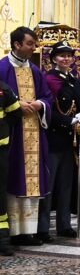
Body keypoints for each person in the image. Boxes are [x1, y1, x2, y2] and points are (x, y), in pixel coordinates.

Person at [0, 27, 52, 246]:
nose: (34, 47)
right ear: (17, 44)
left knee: (30, 181)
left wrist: (40, 104)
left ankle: (27, 232)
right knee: (12, 178)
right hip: (11, 135)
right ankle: (10, 232)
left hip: (33, 131)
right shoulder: (2, 68)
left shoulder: (36, 71)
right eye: (30, 43)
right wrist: (15, 104)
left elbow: (47, 96)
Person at [39, 41, 80, 240]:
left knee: (66, 185)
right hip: (54, 138)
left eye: (69, 55)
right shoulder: (49, 79)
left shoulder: (74, 79)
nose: (66, 59)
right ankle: (42, 228)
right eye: (62, 55)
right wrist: (69, 121)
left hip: (71, 140)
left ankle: (64, 224)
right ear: (53, 59)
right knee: (49, 186)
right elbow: (49, 110)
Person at [0, 77, 22, 255]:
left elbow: (15, 113)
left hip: (0, 150)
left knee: (0, 195)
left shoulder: (3, 89)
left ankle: (3, 240)